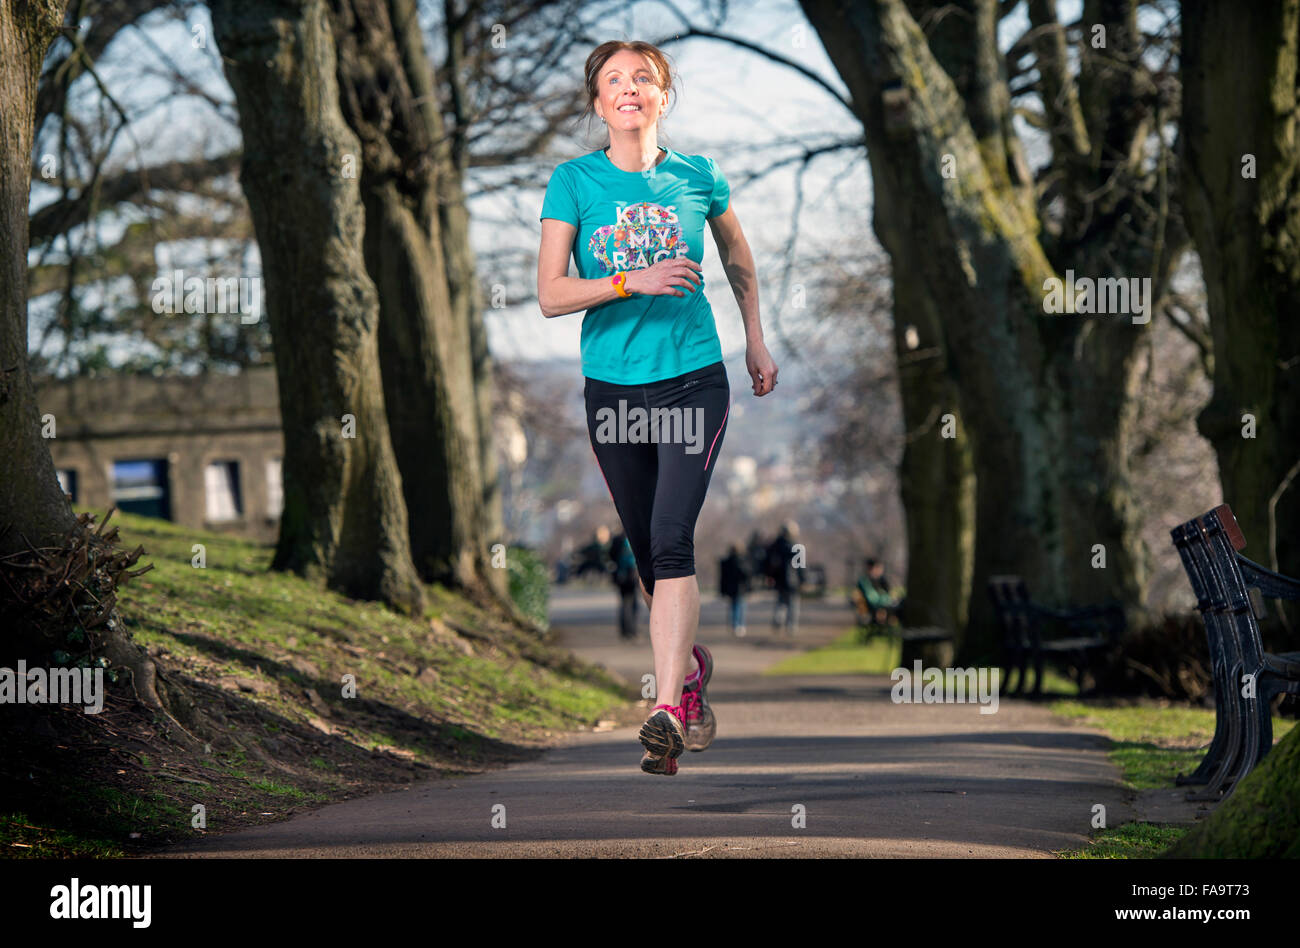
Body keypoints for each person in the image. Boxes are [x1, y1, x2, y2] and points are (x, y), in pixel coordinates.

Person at [538, 40, 777, 775]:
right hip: (613, 390)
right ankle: (691, 674)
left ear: (663, 95)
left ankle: (666, 707)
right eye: (614, 80)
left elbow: (738, 259)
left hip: (691, 381)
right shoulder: (572, 182)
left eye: (643, 77)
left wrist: (755, 341)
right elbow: (550, 294)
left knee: (673, 542)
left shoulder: (699, 176)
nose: (629, 89)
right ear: (598, 102)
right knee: (647, 556)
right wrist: (626, 281)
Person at [766, 521, 803, 636]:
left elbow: (767, 562)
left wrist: (769, 576)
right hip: (793, 580)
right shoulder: (796, 547)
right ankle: (791, 626)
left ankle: (778, 620)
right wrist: (803, 579)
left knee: (781, 602)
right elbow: (800, 566)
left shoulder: (775, 546)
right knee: (793, 604)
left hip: (780, 580)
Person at [610, 532, 640, 640]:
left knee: (624, 603)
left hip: (621, 576)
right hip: (632, 575)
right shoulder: (635, 537)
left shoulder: (617, 539)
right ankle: (632, 631)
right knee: (633, 604)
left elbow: (611, 556)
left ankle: (624, 631)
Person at [857, 557, 904, 625]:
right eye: (878, 568)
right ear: (871, 568)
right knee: (900, 607)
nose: (880, 571)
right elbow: (873, 599)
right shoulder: (864, 581)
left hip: (883, 604)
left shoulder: (880, 580)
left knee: (902, 604)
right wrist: (889, 599)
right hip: (877, 607)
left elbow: (887, 591)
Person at [718, 543, 751, 637]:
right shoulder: (742, 561)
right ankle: (739, 625)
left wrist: (722, 590)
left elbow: (722, 578)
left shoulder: (726, 562)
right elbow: (746, 575)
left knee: (734, 607)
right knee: (740, 607)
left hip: (731, 589)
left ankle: (735, 625)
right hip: (740, 589)